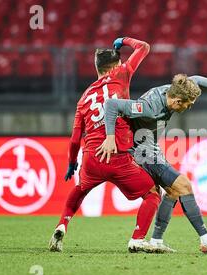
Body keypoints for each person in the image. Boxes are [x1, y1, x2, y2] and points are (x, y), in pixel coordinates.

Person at [96, 74, 207, 255]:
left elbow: (196, 79)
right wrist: (110, 138)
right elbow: (112, 105)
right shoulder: (149, 108)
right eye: (188, 104)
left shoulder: (175, 89)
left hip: (151, 149)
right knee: (184, 185)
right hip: (142, 153)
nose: (189, 107)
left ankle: (156, 240)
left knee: (172, 191)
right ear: (177, 101)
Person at [49, 37, 161, 253]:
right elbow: (144, 47)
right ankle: (137, 238)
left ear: (97, 68)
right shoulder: (122, 74)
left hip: (92, 158)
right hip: (119, 157)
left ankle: (62, 224)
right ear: (117, 65)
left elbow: (74, 139)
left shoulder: (84, 97)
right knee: (152, 193)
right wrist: (122, 41)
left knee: (80, 188)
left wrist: (72, 162)